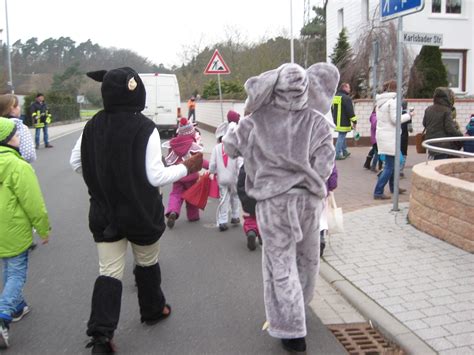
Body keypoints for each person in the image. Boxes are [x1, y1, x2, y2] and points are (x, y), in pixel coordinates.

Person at [69, 67, 203, 354]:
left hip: (105, 213)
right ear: (136, 90)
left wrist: (101, 180)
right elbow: (155, 176)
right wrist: (185, 167)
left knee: (109, 272)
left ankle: (101, 338)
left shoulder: (92, 126)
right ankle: (153, 310)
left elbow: (75, 162)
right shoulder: (144, 128)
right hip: (141, 213)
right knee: (146, 263)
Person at [223, 62, 338, 353]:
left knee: (280, 264)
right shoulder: (318, 122)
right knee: (308, 259)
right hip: (309, 203)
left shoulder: (255, 121)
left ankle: (292, 329)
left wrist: (238, 134)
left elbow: (231, 147)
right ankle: (301, 306)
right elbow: (325, 164)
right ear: (306, 88)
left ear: (274, 87)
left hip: (274, 204)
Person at [0, 117, 51, 349]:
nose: (20, 138)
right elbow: (33, 203)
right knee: (17, 273)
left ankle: (18, 307)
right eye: (17, 135)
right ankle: (3, 315)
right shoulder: (19, 166)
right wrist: (43, 229)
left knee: (7, 268)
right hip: (13, 230)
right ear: (8, 140)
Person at [163, 117, 209, 228]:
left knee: (175, 194)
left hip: (178, 175)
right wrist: (211, 167)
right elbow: (199, 161)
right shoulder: (193, 146)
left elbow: (170, 160)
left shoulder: (173, 144)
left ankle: (173, 211)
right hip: (191, 175)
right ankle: (193, 216)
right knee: (192, 195)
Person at [373, 80, 413, 200]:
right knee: (390, 166)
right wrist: (409, 115)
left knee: (393, 164)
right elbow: (395, 119)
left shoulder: (381, 102)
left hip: (384, 135)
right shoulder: (393, 102)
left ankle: (394, 187)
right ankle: (378, 191)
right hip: (390, 137)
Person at [209, 120, 243, 232]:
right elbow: (240, 163)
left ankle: (223, 221)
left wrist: (213, 172)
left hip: (222, 178)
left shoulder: (216, 148)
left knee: (224, 199)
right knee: (235, 197)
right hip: (234, 178)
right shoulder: (235, 147)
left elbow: (212, 165)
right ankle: (235, 216)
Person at [422, 87, 463, 160]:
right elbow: (450, 128)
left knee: (433, 163)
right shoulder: (446, 110)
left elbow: (424, 123)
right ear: (447, 97)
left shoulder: (428, 109)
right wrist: (460, 135)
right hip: (442, 144)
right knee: (440, 164)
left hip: (430, 142)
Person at [0, 94, 36, 163]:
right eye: (18, 106)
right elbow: (29, 155)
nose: (19, 108)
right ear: (12, 109)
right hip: (16, 168)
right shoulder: (20, 126)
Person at [236, 164, 261, 250]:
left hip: (249, 196)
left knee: (251, 217)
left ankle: (251, 230)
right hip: (263, 196)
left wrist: (243, 197)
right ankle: (263, 236)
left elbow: (240, 182)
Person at [331, 82, 357, 160]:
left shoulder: (335, 97)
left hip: (337, 121)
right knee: (341, 136)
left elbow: (332, 109)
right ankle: (337, 153)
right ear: (344, 88)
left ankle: (344, 151)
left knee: (342, 135)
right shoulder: (346, 98)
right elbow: (350, 111)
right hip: (344, 121)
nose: (349, 89)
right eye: (348, 87)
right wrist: (354, 120)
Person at [319, 164, 338, 257]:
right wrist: (332, 186)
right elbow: (332, 170)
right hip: (322, 190)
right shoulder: (326, 149)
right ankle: (320, 237)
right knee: (321, 218)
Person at [363, 107, 380, 172]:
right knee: (377, 153)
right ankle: (373, 166)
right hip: (376, 138)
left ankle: (367, 164)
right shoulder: (374, 116)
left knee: (373, 150)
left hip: (375, 138)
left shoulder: (374, 116)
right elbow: (374, 125)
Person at [400, 101, 413, 177]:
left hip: (396, 137)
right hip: (404, 137)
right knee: (404, 153)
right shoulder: (408, 116)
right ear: (406, 106)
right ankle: (400, 170)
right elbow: (410, 129)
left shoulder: (397, 114)